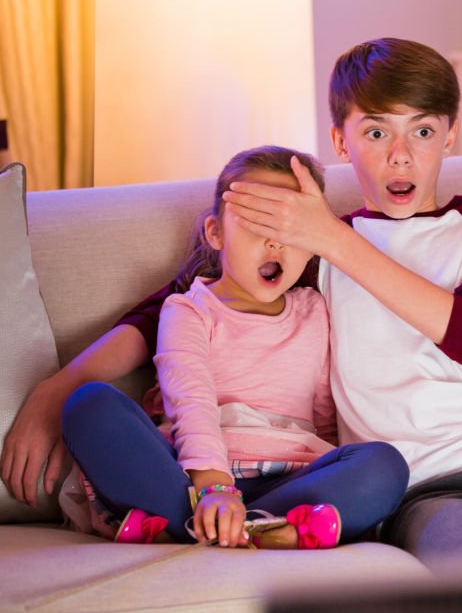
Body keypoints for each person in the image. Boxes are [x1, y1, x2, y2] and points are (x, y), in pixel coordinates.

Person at [2, 38, 462, 566]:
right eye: (375, 132)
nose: (400, 155)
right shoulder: (311, 248)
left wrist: (333, 243)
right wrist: (55, 389)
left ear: (449, 135)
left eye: (421, 131)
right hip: (423, 488)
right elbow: (173, 306)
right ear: (341, 140)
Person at [56, 145, 408, 548]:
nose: (275, 245)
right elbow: (191, 400)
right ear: (215, 233)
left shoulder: (316, 311)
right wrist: (215, 489)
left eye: (290, 232)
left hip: (289, 479)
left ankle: (194, 530)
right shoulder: (188, 310)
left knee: (384, 464)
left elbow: (326, 415)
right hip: (191, 478)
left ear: (313, 244)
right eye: (257, 226)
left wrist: (338, 478)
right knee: (89, 404)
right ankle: (259, 531)